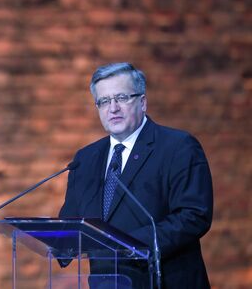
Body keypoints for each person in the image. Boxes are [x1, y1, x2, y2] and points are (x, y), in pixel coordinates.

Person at [59, 62, 213, 288]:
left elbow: (194, 215)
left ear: (143, 102)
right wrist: (58, 243)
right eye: (104, 101)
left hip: (164, 281)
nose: (113, 108)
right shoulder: (86, 159)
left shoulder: (178, 147)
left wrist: (129, 245)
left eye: (121, 98)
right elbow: (71, 222)